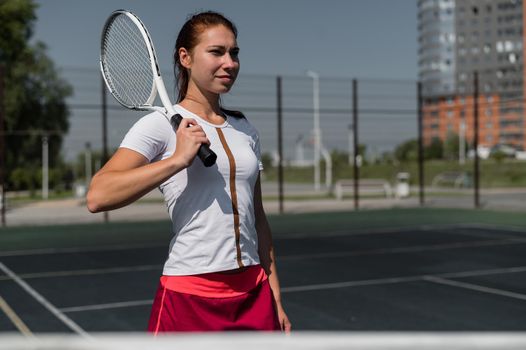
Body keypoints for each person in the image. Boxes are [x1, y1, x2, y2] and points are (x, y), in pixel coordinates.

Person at [87, 10, 291, 333]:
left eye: (234, 53)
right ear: (185, 57)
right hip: (190, 298)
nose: (230, 63)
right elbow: (98, 195)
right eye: (216, 52)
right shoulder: (158, 125)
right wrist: (177, 160)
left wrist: (275, 296)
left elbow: (259, 219)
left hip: (254, 294)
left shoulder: (246, 129)